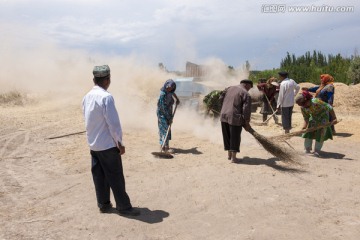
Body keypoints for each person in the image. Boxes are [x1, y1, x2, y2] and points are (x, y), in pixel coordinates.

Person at [82, 65, 140, 216]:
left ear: (94, 79)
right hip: (107, 145)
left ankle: (104, 205)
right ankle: (124, 207)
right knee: (115, 177)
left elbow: (88, 121)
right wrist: (119, 143)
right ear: (107, 80)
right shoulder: (106, 97)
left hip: (94, 145)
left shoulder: (86, 97)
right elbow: (113, 124)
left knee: (99, 176)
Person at [295, 91, 337, 157]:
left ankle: (317, 151)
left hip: (323, 117)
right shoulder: (303, 107)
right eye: (301, 105)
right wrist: (304, 127)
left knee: (321, 133)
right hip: (314, 117)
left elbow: (329, 107)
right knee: (308, 132)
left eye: (303, 104)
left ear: (307, 100)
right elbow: (306, 117)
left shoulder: (316, 102)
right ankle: (307, 149)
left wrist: (334, 118)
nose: (303, 106)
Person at [220, 79, 253, 163]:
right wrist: (246, 122)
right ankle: (234, 158)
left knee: (227, 136)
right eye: (250, 87)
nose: (249, 89)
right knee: (235, 136)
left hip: (224, 115)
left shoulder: (229, 88)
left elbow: (221, 98)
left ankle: (229, 155)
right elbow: (246, 109)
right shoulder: (246, 93)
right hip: (235, 117)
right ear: (247, 85)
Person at [157, 79, 180, 152]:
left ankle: (166, 146)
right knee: (164, 129)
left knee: (167, 128)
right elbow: (163, 108)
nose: (169, 88)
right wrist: (169, 118)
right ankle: (163, 146)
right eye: (168, 87)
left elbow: (172, 93)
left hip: (168, 112)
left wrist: (177, 99)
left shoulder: (170, 91)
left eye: (171, 88)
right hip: (162, 113)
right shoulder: (162, 94)